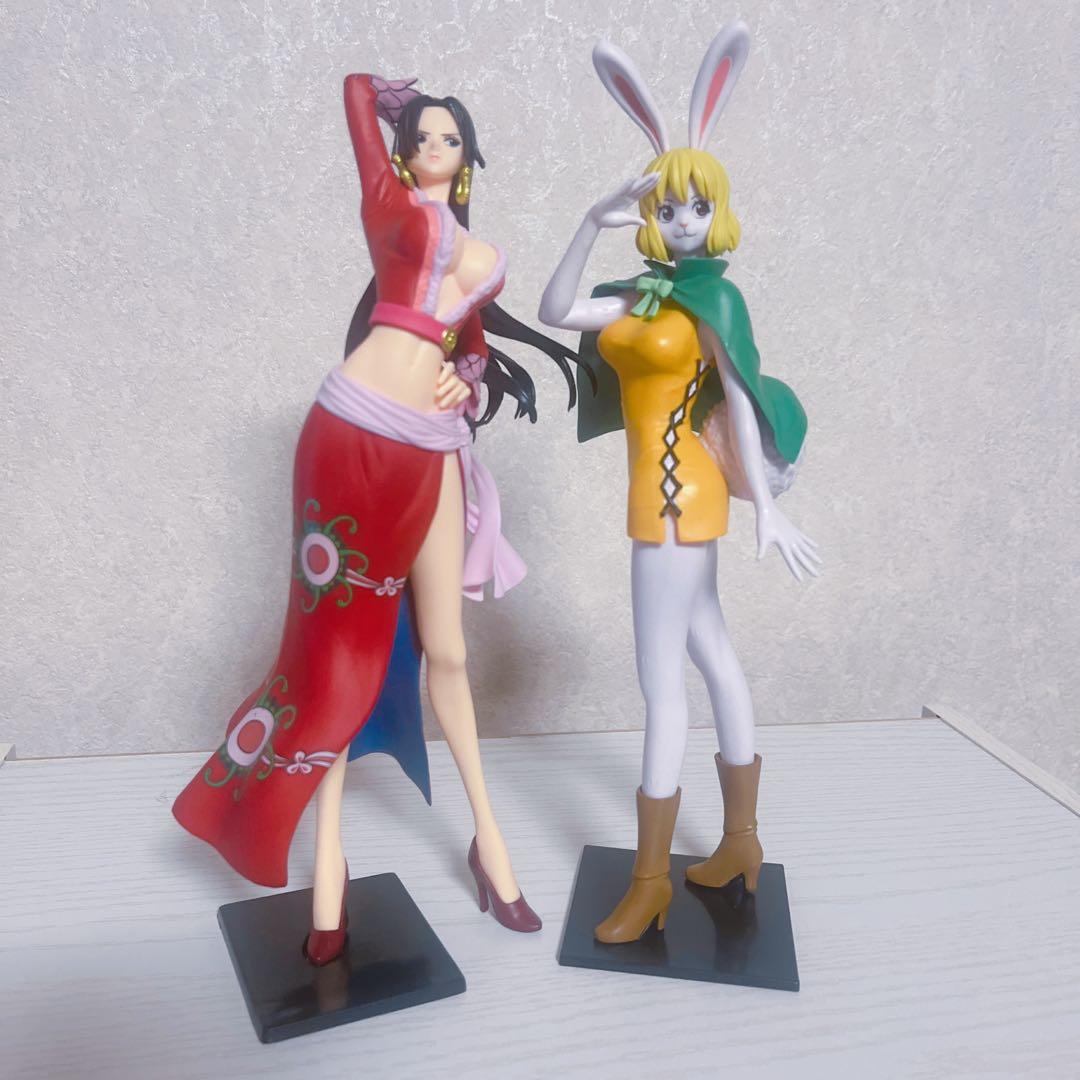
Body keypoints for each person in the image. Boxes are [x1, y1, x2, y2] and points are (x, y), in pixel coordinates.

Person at [174, 71, 585, 963]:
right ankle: (329, 868)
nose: (432, 148)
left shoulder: (482, 252)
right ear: (404, 152)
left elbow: (469, 349)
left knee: (449, 650)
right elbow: (353, 95)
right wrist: (383, 96)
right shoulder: (388, 208)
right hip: (352, 432)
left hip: (433, 448)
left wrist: (466, 380)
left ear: (467, 158)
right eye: (421, 137)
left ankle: (490, 844)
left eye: (448, 139)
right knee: (337, 659)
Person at [538, 25, 820, 943]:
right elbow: (554, 309)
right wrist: (592, 220)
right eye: (670, 205)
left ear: (717, 211)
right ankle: (741, 842)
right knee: (712, 651)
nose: (685, 219)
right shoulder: (636, 294)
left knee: (661, 683)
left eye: (698, 205)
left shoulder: (714, 301)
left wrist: (767, 509)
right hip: (661, 506)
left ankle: (652, 879)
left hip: (671, 505)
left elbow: (739, 395)